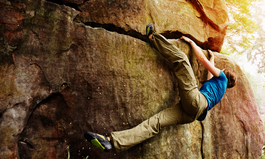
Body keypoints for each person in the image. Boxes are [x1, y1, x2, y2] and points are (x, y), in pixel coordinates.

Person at [84, 23, 237, 153]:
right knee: (155, 123)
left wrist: (192, 43)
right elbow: (210, 73)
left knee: (182, 60)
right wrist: (213, 58)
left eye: (222, 71)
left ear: (225, 74)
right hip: (191, 114)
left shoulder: (222, 77)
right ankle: (112, 142)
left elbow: (202, 60)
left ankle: (153, 38)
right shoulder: (221, 89)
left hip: (196, 101)